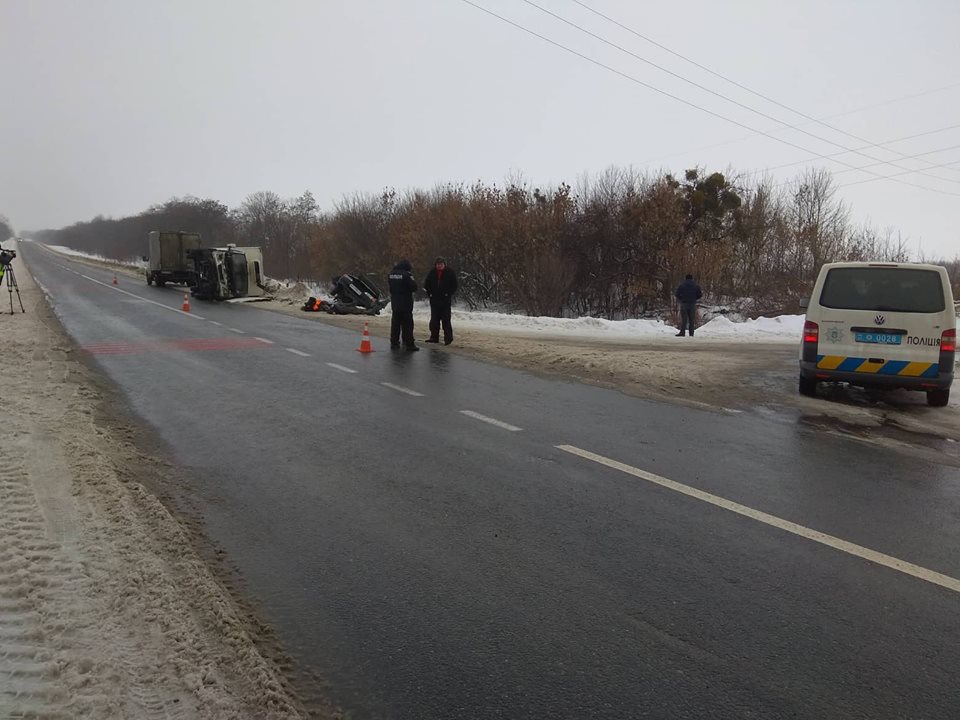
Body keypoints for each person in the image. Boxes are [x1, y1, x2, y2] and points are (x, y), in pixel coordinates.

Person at [423, 256, 458, 345]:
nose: (439, 266)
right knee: (434, 321)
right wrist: (430, 294)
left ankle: (448, 339)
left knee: (446, 320)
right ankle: (434, 337)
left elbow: (454, 285)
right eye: (438, 264)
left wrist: (448, 293)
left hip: (445, 301)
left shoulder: (449, 272)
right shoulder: (432, 272)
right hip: (434, 300)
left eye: (441, 264)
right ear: (435, 265)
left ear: (444, 265)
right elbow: (426, 284)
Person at [388, 259, 419, 350]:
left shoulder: (391, 274)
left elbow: (391, 287)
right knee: (407, 324)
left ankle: (394, 342)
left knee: (395, 324)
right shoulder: (407, 275)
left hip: (395, 303)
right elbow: (414, 287)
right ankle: (409, 343)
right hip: (406, 303)